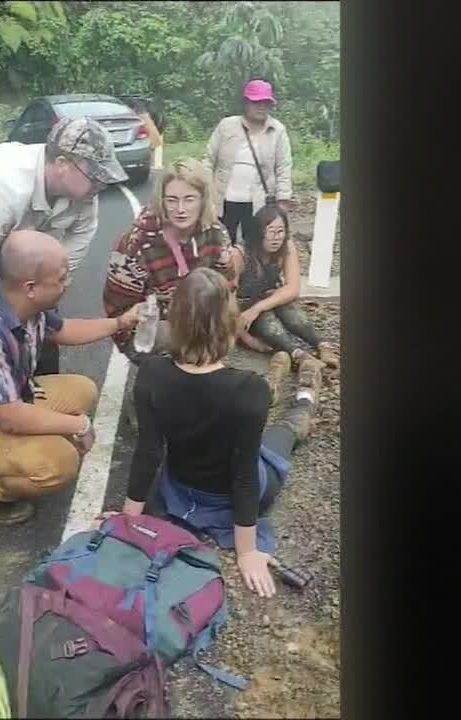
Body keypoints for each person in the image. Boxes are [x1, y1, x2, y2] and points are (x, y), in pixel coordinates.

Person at [116, 268, 322, 598]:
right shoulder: (248, 389)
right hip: (233, 490)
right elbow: (244, 473)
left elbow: (148, 451)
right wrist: (247, 551)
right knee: (284, 433)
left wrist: (127, 520)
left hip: (178, 492)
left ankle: (281, 373)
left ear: (175, 323)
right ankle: (305, 394)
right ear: (229, 324)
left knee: (268, 420)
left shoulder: (151, 373)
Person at [0, 230, 143, 525]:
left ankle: (15, 452)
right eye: (61, 278)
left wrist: (121, 322)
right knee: (60, 462)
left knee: (82, 390)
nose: (68, 283)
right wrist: (79, 425)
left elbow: (64, 330)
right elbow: (11, 418)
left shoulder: (26, 305)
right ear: (31, 287)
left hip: (9, 403)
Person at [0, 117, 128, 375]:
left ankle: (39, 378)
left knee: (37, 302)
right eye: (95, 175)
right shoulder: (3, 188)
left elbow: (62, 266)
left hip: (14, 222)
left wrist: (44, 295)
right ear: (62, 164)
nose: (101, 184)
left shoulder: (85, 196)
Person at [102, 158, 236, 360]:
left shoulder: (216, 233)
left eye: (189, 199)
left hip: (199, 317)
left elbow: (227, 286)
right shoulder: (135, 243)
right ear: (161, 201)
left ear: (203, 200)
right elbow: (118, 307)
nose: (180, 209)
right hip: (151, 326)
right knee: (178, 346)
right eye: (172, 200)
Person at [234, 205, 340, 403]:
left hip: (266, 299)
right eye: (271, 231)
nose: (276, 238)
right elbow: (225, 301)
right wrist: (245, 338)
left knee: (289, 308)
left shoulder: (286, 247)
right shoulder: (240, 254)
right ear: (259, 232)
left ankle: (322, 345)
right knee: (267, 320)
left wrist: (260, 305)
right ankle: (299, 354)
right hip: (243, 308)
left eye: (280, 231)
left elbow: (293, 288)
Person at [205, 79, 295, 246]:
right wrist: (205, 192)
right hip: (223, 200)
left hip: (258, 202)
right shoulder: (227, 126)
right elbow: (208, 160)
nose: (261, 107)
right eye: (256, 102)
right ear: (246, 103)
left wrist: (283, 199)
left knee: (255, 245)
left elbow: (283, 167)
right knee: (221, 244)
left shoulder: (277, 130)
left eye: (266, 103)